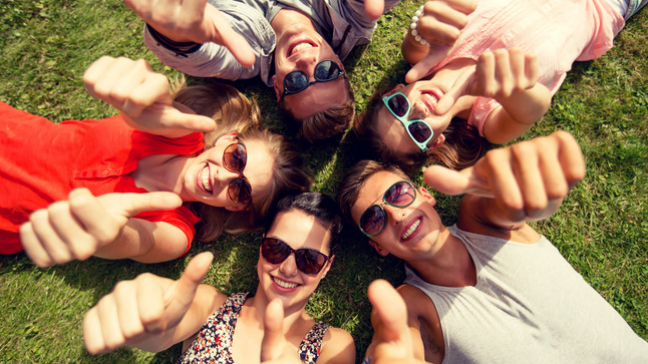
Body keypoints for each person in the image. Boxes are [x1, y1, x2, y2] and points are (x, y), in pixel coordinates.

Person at [336, 131, 648, 362]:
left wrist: (523, 187)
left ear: (425, 196)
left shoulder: (482, 220)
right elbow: (398, 343)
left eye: (398, 193)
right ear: (379, 247)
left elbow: (507, 201)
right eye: (374, 219)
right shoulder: (409, 305)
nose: (394, 214)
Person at [1, 56, 311, 268]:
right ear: (228, 140)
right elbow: (156, 111)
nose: (223, 177)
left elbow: (141, 242)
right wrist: (145, 93)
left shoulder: (176, 232)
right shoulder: (182, 131)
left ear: (236, 208)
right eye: (236, 158)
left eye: (240, 190)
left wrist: (112, 234)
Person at [354, 0, 648, 172]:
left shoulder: (422, 55)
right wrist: (507, 88)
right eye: (418, 130)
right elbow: (537, 106)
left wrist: (423, 26)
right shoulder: (490, 121)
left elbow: (423, 31)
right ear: (436, 142)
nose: (418, 109)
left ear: (395, 92)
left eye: (400, 107)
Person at [82, 192, 356, 364]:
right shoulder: (213, 305)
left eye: (309, 259)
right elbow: (162, 332)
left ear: (327, 266)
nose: (286, 268)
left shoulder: (332, 346)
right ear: (261, 246)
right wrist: (144, 322)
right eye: (277, 248)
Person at [123, 0, 400, 142]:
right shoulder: (353, 18)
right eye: (326, 71)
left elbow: (202, 57)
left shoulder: (243, 57)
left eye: (297, 81)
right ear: (341, 66)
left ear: (278, 88)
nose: (307, 63)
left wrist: (177, 36)